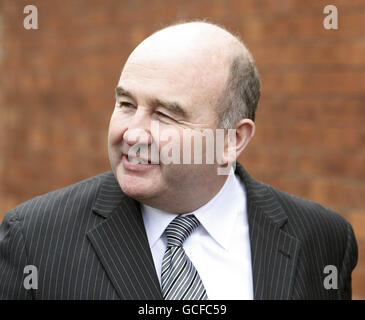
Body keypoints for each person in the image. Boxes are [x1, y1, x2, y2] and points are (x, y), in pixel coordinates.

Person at [0, 21, 358, 300]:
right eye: (126, 105)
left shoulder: (323, 239)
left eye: (164, 115)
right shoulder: (34, 239)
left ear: (231, 139)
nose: (133, 134)